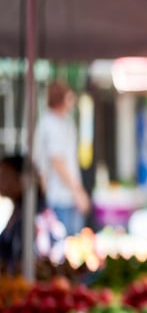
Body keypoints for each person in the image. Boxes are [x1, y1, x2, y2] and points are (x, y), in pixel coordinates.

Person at [32, 81, 90, 236]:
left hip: (64, 196)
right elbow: (57, 161)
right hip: (60, 197)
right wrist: (78, 191)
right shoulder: (51, 124)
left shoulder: (61, 122)